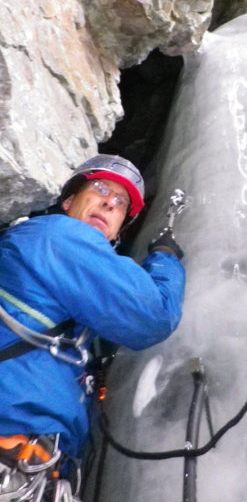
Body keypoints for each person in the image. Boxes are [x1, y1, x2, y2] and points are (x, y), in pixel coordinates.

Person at [0, 154, 185, 494]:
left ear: (117, 230)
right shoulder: (54, 235)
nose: (109, 203)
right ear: (68, 200)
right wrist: (166, 259)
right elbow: (152, 317)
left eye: (120, 203)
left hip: (34, 465)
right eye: (100, 188)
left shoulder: (74, 298)